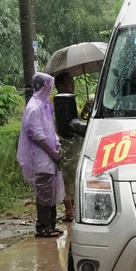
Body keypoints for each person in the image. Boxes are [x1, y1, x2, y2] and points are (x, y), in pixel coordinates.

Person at [18, 72, 64, 238]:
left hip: (49, 158)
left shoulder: (44, 106)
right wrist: (52, 152)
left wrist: (57, 143)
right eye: (49, 86)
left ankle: (51, 225)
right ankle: (43, 227)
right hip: (41, 158)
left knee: (50, 192)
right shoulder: (34, 108)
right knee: (44, 193)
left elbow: (49, 130)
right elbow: (36, 135)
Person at [54, 72, 84, 222]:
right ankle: (69, 210)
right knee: (66, 178)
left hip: (75, 146)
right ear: (60, 86)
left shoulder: (71, 101)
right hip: (65, 144)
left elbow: (76, 120)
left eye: (73, 82)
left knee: (75, 176)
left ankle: (75, 206)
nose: (73, 85)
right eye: (69, 82)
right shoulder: (57, 102)